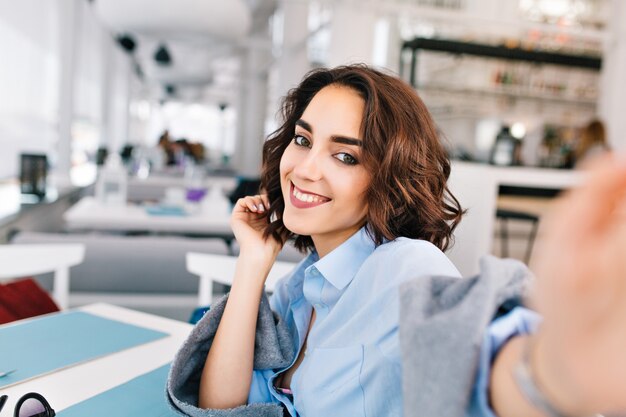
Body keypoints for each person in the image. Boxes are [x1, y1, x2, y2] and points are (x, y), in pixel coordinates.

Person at [166, 65, 626, 417]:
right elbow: (220, 406)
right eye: (303, 140)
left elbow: (471, 356)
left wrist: (557, 369)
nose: (306, 168)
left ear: (388, 177)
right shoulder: (301, 289)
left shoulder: (405, 268)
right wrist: (253, 260)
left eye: (345, 156)